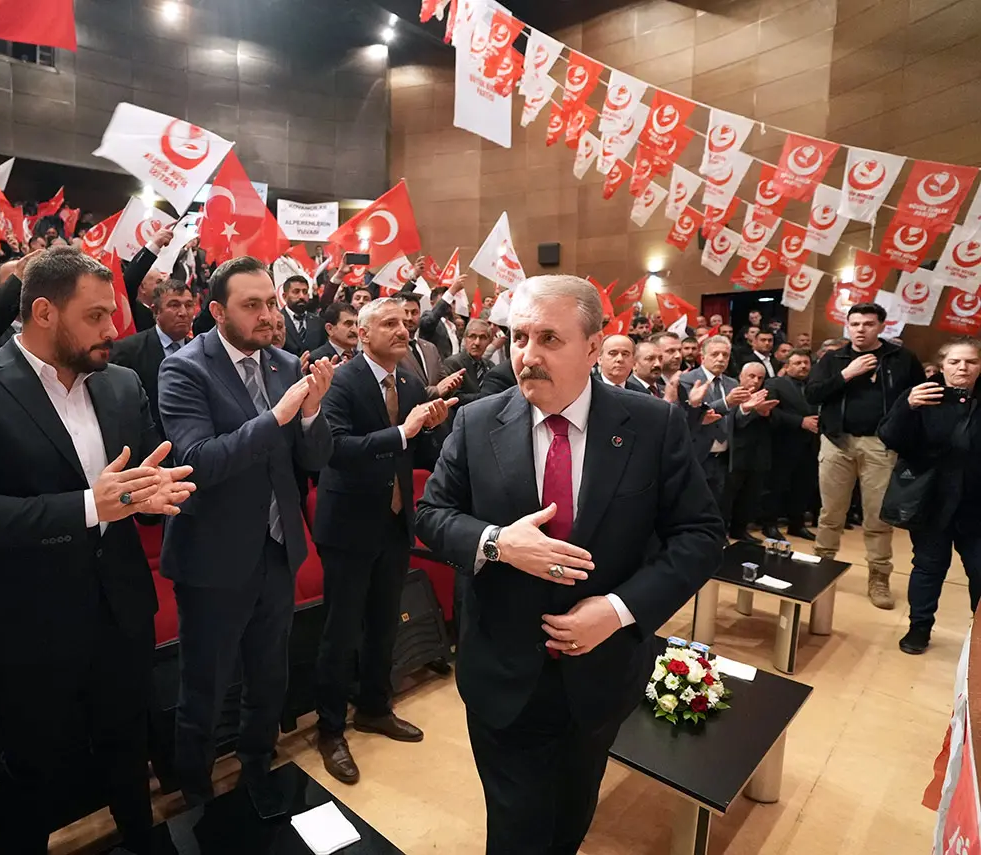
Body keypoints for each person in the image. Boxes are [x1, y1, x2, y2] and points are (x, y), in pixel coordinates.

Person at [415, 275, 723, 855]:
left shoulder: (650, 426)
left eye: (549, 339)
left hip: (601, 675)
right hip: (503, 674)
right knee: (516, 832)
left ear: (593, 346)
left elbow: (701, 535)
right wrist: (497, 542)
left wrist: (619, 610)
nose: (528, 355)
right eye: (519, 337)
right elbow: (431, 515)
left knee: (571, 819)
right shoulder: (477, 422)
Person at [0, 247, 195, 854]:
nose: (112, 329)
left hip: (119, 607)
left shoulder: (121, 383)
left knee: (128, 750)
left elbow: (142, 475)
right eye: (95, 316)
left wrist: (151, 493)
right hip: (28, 624)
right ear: (44, 312)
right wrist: (90, 505)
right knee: (33, 771)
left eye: (112, 313)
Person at [157, 256, 335, 808]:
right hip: (213, 559)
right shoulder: (184, 369)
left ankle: (259, 765)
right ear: (217, 311)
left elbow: (313, 460)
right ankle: (196, 791)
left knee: (268, 677)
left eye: (270, 303)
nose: (267, 316)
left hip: (277, 550)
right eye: (251, 305)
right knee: (205, 688)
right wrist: (278, 416)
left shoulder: (284, 363)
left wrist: (311, 414)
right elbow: (199, 462)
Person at [313, 298, 456, 783]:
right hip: (348, 526)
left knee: (383, 625)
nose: (403, 329)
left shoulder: (410, 382)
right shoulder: (342, 381)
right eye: (390, 323)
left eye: (404, 322)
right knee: (340, 633)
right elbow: (334, 450)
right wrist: (401, 432)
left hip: (394, 522)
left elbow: (419, 451)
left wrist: (431, 428)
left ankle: (375, 707)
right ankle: (330, 729)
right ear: (363, 334)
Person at [806, 302, 925, 609]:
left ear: (881, 326)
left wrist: (904, 435)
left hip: (880, 444)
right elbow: (812, 393)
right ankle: (821, 567)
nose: (860, 330)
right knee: (830, 513)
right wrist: (846, 374)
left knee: (877, 516)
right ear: (848, 325)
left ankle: (879, 577)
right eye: (855, 324)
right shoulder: (834, 358)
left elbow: (917, 398)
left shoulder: (902, 358)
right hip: (837, 441)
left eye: (868, 324)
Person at [878, 338, 981, 654]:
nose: (962, 368)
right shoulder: (921, 394)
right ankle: (919, 628)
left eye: (971, 362)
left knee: (979, 569)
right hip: (931, 500)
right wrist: (908, 406)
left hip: (976, 503)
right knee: (928, 566)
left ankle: (978, 635)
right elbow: (889, 437)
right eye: (954, 362)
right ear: (942, 365)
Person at [109, 278, 195, 436]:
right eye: (174, 305)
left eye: (189, 305)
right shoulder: (128, 351)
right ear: (156, 311)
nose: (183, 313)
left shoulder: (201, 351)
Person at [681, 335, 752, 521]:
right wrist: (726, 402)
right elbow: (694, 416)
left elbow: (734, 422)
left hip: (724, 457)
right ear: (703, 357)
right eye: (715, 354)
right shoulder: (687, 380)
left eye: (725, 355)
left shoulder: (732, 383)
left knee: (719, 508)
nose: (721, 359)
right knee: (695, 508)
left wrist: (745, 410)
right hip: (698, 455)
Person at [763, 349, 820, 541]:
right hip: (783, 443)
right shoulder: (775, 384)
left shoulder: (815, 385)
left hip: (810, 444)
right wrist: (800, 422)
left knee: (803, 486)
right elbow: (771, 412)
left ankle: (797, 524)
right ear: (787, 367)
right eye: (797, 363)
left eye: (806, 363)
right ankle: (769, 525)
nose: (803, 366)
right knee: (776, 486)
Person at [724, 362, 778, 541]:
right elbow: (732, 421)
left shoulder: (766, 395)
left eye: (760, 378)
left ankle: (740, 529)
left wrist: (767, 413)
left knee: (750, 495)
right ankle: (722, 531)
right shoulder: (733, 393)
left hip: (758, 454)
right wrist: (752, 410)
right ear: (741, 376)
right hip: (735, 453)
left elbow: (776, 423)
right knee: (729, 496)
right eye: (751, 376)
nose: (755, 381)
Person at [442, 318, 494, 406]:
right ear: (465, 338)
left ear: (489, 341)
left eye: (482, 337)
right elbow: (455, 398)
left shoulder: (490, 366)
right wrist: (487, 398)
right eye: (472, 336)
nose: (477, 342)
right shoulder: (453, 363)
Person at [280, 274, 327, 357]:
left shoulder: (318, 323)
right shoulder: (276, 321)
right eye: (296, 292)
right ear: (285, 296)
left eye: (305, 292)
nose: (302, 296)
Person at [421, 280, 468, 359]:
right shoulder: (428, 319)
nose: (449, 303)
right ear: (432, 303)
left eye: (453, 301)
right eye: (446, 300)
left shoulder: (453, 325)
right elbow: (430, 321)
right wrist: (451, 292)